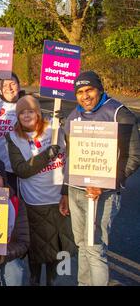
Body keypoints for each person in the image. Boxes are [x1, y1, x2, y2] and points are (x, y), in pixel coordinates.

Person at [61, 71, 140, 286]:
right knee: (82, 245)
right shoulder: (74, 116)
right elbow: (70, 155)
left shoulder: (119, 114)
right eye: (79, 92)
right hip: (76, 191)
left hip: (101, 195)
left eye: (89, 90)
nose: (85, 96)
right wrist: (64, 192)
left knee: (95, 248)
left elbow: (133, 156)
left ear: (100, 89)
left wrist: (105, 185)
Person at [6, 95, 76, 286]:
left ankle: (54, 281)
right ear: (18, 117)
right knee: (37, 249)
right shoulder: (13, 137)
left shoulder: (54, 128)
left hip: (59, 198)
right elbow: (21, 170)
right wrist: (47, 155)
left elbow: (75, 151)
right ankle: (34, 280)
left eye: (31, 111)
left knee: (60, 248)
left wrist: (67, 125)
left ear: (38, 112)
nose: (27, 116)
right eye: (22, 113)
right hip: (34, 200)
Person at [0, 73, 25, 191]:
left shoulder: (26, 105)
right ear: (0, 90)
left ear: (19, 86)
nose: (9, 88)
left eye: (12, 84)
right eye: (5, 85)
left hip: (16, 168)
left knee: (13, 203)